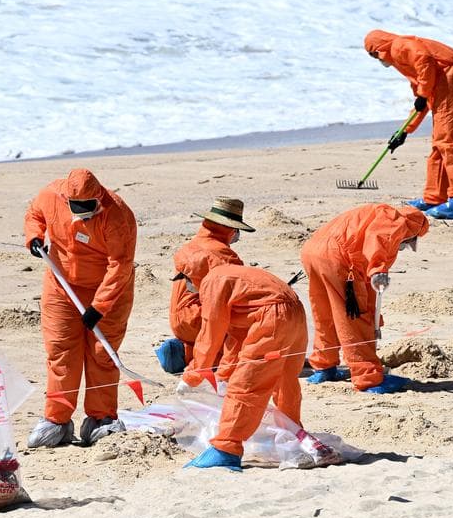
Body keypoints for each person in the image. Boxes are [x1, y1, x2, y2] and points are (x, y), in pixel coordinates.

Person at [23, 168, 136, 448]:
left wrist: (99, 306)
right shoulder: (51, 195)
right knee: (61, 351)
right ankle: (57, 421)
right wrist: (34, 237)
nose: (83, 212)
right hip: (62, 286)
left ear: (98, 198)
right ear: (66, 199)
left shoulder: (117, 214)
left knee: (101, 354)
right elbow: (34, 214)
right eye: (78, 207)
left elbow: (120, 265)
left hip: (107, 289)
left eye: (89, 207)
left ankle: (101, 419)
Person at [178, 263, 309, 471]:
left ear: (194, 274)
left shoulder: (213, 283)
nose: (186, 286)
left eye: (186, 279)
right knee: (285, 379)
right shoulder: (230, 276)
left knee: (247, 384)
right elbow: (236, 338)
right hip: (294, 312)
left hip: (272, 317)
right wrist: (224, 374)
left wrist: (192, 375)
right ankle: (292, 435)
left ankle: (226, 449)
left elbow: (210, 334)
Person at [300, 203, 429, 393]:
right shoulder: (398, 219)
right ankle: (368, 377)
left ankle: (324, 367)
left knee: (325, 312)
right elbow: (379, 237)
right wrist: (378, 269)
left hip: (313, 252)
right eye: (406, 243)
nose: (402, 248)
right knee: (353, 316)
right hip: (339, 259)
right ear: (412, 232)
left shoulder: (371, 212)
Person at [364, 29, 453, 220]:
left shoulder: (399, 46)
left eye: (374, 54)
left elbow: (423, 59)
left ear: (379, 47)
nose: (378, 60)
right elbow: (422, 100)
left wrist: (423, 94)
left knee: (449, 142)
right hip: (446, 80)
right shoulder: (407, 64)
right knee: (439, 144)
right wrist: (405, 131)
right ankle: (434, 198)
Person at [157, 197, 254, 375]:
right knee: (244, 336)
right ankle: (187, 356)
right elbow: (238, 294)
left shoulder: (192, 245)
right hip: (197, 319)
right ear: (230, 229)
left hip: (178, 317)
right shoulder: (223, 256)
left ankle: (184, 349)